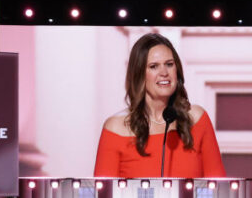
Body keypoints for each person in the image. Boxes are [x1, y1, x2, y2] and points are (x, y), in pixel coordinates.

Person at [94, 33, 226, 179]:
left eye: (169, 64)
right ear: (139, 75)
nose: (164, 73)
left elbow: (219, 191)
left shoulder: (197, 118)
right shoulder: (115, 128)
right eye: (154, 66)